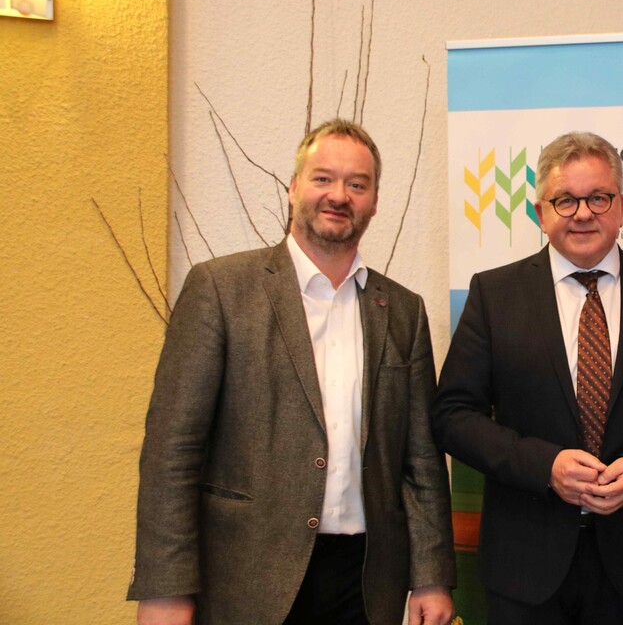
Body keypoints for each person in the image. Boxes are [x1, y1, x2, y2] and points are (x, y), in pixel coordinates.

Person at [128, 119, 455, 625]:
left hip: (368, 584)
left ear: (373, 202)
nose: (338, 195)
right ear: (293, 188)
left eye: (357, 184)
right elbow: (172, 452)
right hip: (247, 577)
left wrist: (431, 576)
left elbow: (421, 460)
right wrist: (166, 590)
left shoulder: (403, 310)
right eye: (323, 178)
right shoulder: (220, 289)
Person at [432, 131, 623, 624]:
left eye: (598, 198)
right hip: (524, 562)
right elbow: (453, 415)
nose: (583, 213)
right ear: (541, 211)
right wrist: (545, 466)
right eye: (566, 200)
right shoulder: (493, 295)